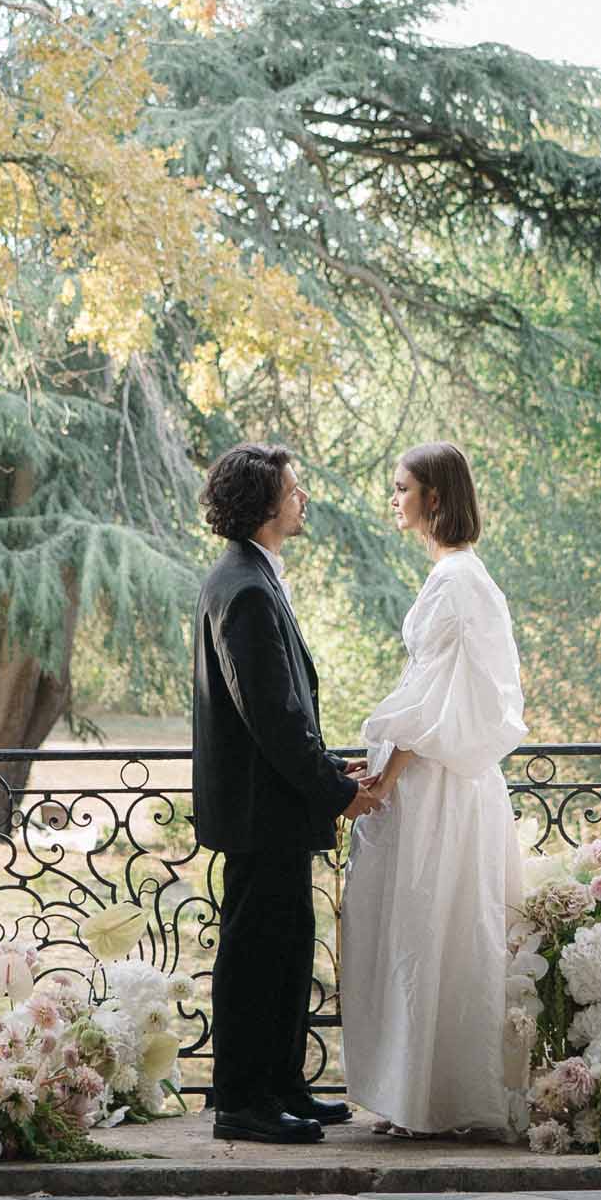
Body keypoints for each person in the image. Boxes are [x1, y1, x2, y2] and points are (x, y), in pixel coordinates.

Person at [340, 441, 529, 1139]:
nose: (393, 500)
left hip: (442, 787)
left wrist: (388, 773)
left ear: (436, 499)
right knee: (422, 934)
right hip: (439, 778)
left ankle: (434, 1097)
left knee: (433, 931)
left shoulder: (459, 582)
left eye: (401, 489)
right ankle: (412, 1093)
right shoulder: (455, 578)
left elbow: (441, 697)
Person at [192, 442, 377, 1145]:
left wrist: (332, 769)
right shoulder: (241, 586)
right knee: (256, 953)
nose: (302, 499)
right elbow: (268, 712)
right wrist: (334, 790)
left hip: (267, 808)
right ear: (266, 503)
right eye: (293, 490)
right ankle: (242, 1100)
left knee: (285, 946)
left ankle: (280, 1083)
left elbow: (283, 703)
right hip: (258, 811)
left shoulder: (249, 576)